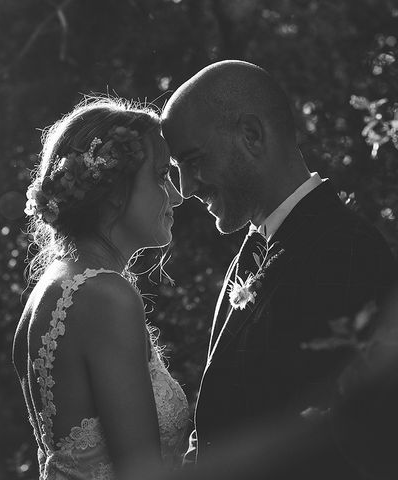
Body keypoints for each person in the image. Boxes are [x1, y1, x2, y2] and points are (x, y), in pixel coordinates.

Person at [161, 60, 396, 478]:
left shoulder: (348, 251)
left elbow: (360, 436)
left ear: (251, 135)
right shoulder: (249, 254)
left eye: (193, 160)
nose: (186, 187)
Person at [13, 97, 189, 479]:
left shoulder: (48, 293)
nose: (176, 195)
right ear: (112, 190)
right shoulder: (105, 296)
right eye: (161, 176)